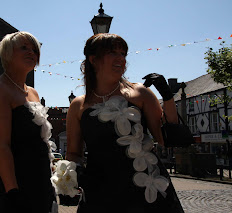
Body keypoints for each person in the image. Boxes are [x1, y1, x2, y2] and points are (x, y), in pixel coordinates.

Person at [64, 33, 184, 212]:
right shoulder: (78, 105)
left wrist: (167, 97)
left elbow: (166, 138)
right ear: (93, 59)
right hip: (101, 191)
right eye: (113, 52)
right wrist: (73, 173)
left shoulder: (140, 93)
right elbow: (73, 152)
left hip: (145, 188)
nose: (120, 58)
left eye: (123, 53)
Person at [0, 31, 57, 213]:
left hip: (38, 183)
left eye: (34, 49)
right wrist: (13, 193)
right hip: (13, 186)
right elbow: (2, 146)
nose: (32, 52)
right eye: (24, 48)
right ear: (7, 53)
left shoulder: (33, 92)